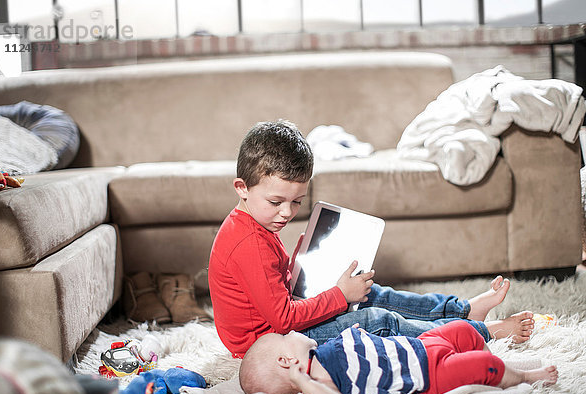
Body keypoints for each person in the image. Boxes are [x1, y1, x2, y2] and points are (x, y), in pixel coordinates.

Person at [208, 119, 534, 359]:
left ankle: (463, 310)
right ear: (242, 188)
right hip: (263, 344)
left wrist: (298, 261)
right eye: (276, 202)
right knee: (374, 319)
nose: (286, 212)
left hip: (276, 321)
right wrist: (338, 295)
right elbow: (282, 319)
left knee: (368, 292)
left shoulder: (256, 223)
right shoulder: (247, 242)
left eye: (297, 201)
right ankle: (483, 331)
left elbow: (270, 289)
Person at [239, 321, 558, 394]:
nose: (291, 331)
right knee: (483, 367)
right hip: (430, 373)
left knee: (462, 330)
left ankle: (500, 368)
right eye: (285, 337)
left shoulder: (322, 350)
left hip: (421, 345)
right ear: (285, 360)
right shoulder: (316, 381)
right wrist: (301, 381)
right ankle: (524, 377)